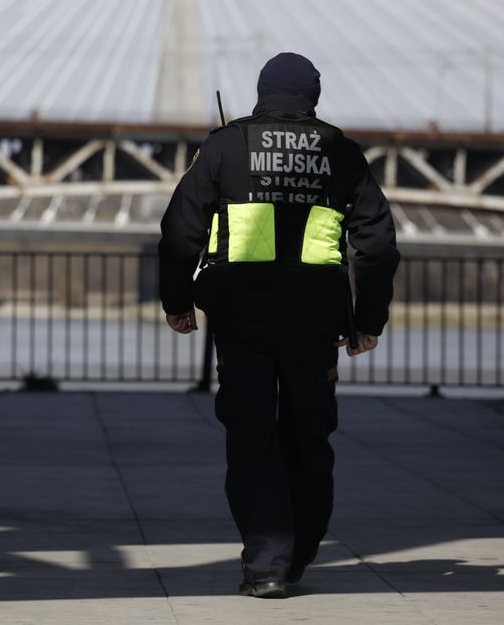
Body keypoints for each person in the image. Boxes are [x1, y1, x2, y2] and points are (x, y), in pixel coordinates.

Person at [158, 52, 399, 599]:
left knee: (252, 434)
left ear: (261, 92)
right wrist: (368, 319)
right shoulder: (342, 152)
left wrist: (178, 300)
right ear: (313, 95)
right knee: (308, 436)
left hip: (241, 316)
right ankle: (297, 554)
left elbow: (180, 228)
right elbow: (377, 245)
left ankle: (267, 560)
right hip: (315, 320)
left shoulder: (224, 146)